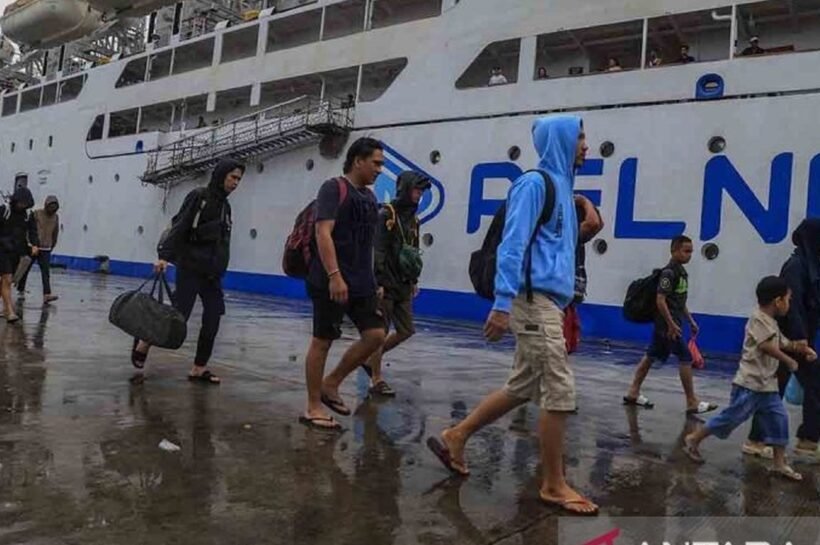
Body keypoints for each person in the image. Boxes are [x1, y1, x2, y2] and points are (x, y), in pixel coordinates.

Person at [427, 115, 599, 516]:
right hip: (531, 299)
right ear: (560, 141)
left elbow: (554, 247)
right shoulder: (534, 184)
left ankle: (456, 436)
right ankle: (553, 485)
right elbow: (513, 244)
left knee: (522, 386)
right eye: (580, 138)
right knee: (559, 391)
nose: (586, 145)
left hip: (549, 302)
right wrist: (502, 303)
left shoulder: (562, 188)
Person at [682, 276, 816, 481]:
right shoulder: (758, 319)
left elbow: (783, 342)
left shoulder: (771, 322)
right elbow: (766, 346)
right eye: (788, 299)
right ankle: (694, 438)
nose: (789, 304)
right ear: (778, 301)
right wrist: (788, 361)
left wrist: (802, 349)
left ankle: (779, 463)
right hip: (750, 384)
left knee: (780, 420)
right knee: (730, 418)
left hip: (767, 386)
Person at [131, 158, 245, 385]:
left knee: (213, 317)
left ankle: (199, 368)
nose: (235, 183)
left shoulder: (226, 207)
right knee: (178, 315)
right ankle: (144, 342)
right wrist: (164, 256)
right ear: (221, 175)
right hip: (191, 268)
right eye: (233, 177)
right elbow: (180, 225)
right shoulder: (199, 197)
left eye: (239, 179)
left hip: (212, 274)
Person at [302, 137, 387, 431]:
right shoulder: (333, 188)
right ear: (358, 161)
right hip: (330, 279)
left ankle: (332, 383)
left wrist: (375, 281)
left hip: (362, 282)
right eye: (376, 163)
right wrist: (334, 275)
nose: (379, 170)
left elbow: (367, 244)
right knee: (323, 340)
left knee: (376, 335)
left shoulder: (370, 198)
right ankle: (313, 406)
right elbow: (322, 233)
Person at [623, 236, 718, 414]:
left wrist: (690, 321)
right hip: (667, 326)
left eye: (691, 251)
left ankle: (633, 391)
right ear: (674, 251)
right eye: (685, 251)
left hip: (670, 323)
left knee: (651, 355)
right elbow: (660, 300)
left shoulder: (681, 273)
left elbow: (680, 302)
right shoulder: (669, 273)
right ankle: (691, 401)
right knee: (685, 357)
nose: (689, 255)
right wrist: (671, 324)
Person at [753, 219, 820, 458]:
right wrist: (800, 337)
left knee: (776, 386)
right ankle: (807, 439)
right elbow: (794, 307)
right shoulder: (796, 266)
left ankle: (759, 438)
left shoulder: (810, 265)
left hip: (798, 337)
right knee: (813, 383)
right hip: (790, 338)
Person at [363, 171, 431, 396]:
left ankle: (369, 358)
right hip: (386, 283)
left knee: (406, 330)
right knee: (380, 333)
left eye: (421, 191)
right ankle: (376, 379)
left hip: (403, 283)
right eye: (416, 190)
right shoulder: (386, 215)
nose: (419, 195)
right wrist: (378, 282)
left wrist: (414, 280)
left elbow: (413, 251)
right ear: (405, 189)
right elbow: (378, 250)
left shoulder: (413, 219)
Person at [565, 195, 603, 354]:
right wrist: (584, 201)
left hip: (568, 300)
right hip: (562, 300)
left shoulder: (575, 237)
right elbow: (594, 224)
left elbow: (598, 224)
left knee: (564, 347)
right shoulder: (569, 234)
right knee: (559, 348)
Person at [0, 186, 39, 323]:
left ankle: (5, 308)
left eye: (25, 204)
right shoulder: (5, 211)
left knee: (8, 281)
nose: (22, 206)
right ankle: (10, 312)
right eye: (21, 203)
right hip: (2, 250)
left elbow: (33, 231)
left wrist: (35, 244)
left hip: (17, 252)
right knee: (7, 279)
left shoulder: (28, 215)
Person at [16, 195, 59, 303]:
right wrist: (29, 243)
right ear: (46, 205)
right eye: (51, 206)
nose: (52, 208)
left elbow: (55, 232)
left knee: (45, 272)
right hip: (33, 247)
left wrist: (52, 245)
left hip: (46, 248)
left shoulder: (56, 217)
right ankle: (21, 289)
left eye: (54, 206)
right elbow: (30, 229)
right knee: (25, 269)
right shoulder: (36, 214)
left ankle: (47, 294)